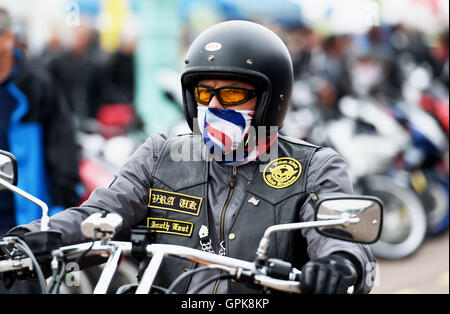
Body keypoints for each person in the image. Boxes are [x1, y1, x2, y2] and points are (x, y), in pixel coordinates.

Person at [6, 20, 375, 294]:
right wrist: (30, 237)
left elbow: (340, 239)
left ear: (270, 99)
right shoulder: (161, 155)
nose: (213, 106)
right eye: (203, 93)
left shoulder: (314, 168)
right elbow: (99, 213)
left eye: (231, 94)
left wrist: (338, 264)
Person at [0, 8, 80, 249]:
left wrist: (57, 217)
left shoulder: (38, 87)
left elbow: (64, 153)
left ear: (8, 38)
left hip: (24, 228)